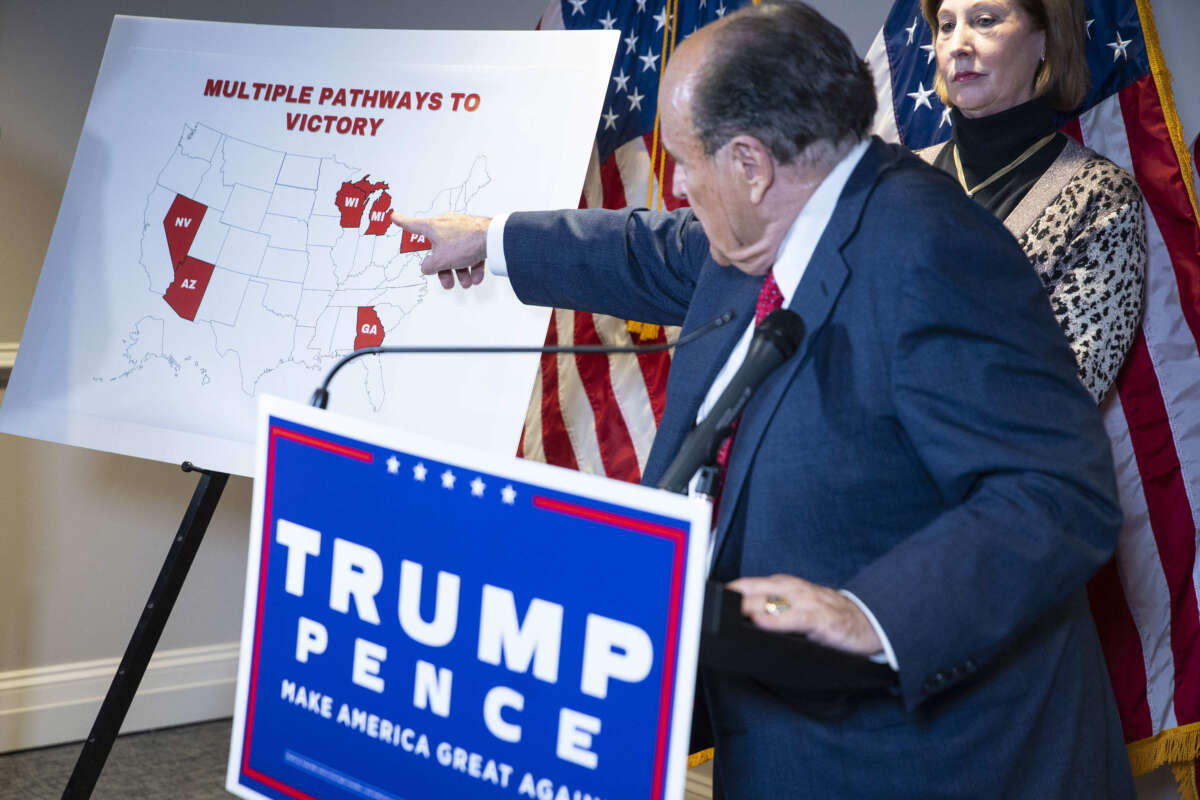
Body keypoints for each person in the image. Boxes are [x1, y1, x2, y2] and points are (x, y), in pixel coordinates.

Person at [392, 2, 1134, 796]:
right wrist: (493, 238)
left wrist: (867, 615)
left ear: (750, 163)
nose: (677, 184)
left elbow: (1058, 492)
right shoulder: (771, 222)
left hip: (931, 758)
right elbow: (651, 248)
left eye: (686, 161)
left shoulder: (936, 254)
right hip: (777, 726)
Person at [920, 0, 1146, 401]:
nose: (958, 44)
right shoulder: (894, 181)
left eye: (984, 21)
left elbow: (1057, 399)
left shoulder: (1099, 199)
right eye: (946, 25)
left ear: (1045, 41)